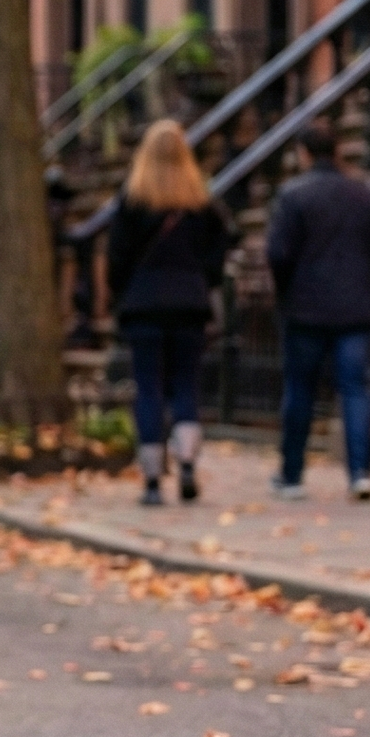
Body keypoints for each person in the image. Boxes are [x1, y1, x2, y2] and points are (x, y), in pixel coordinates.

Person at [266, 122, 370, 501]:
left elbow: (278, 254)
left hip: (306, 309)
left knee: (300, 390)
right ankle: (360, 473)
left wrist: (286, 291)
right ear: (336, 151)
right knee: (355, 390)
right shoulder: (364, 195)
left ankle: (292, 475)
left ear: (304, 154)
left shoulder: (293, 196)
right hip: (355, 308)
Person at [106, 120, 232, 506]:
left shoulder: (133, 200)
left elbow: (116, 258)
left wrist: (123, 291)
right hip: (189, 305)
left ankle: (151, 479)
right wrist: (200, 280)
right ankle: (188, 460)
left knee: (148, 388)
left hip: (144, 304)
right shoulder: (200, 202)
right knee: (186, 386)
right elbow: (218, 254)